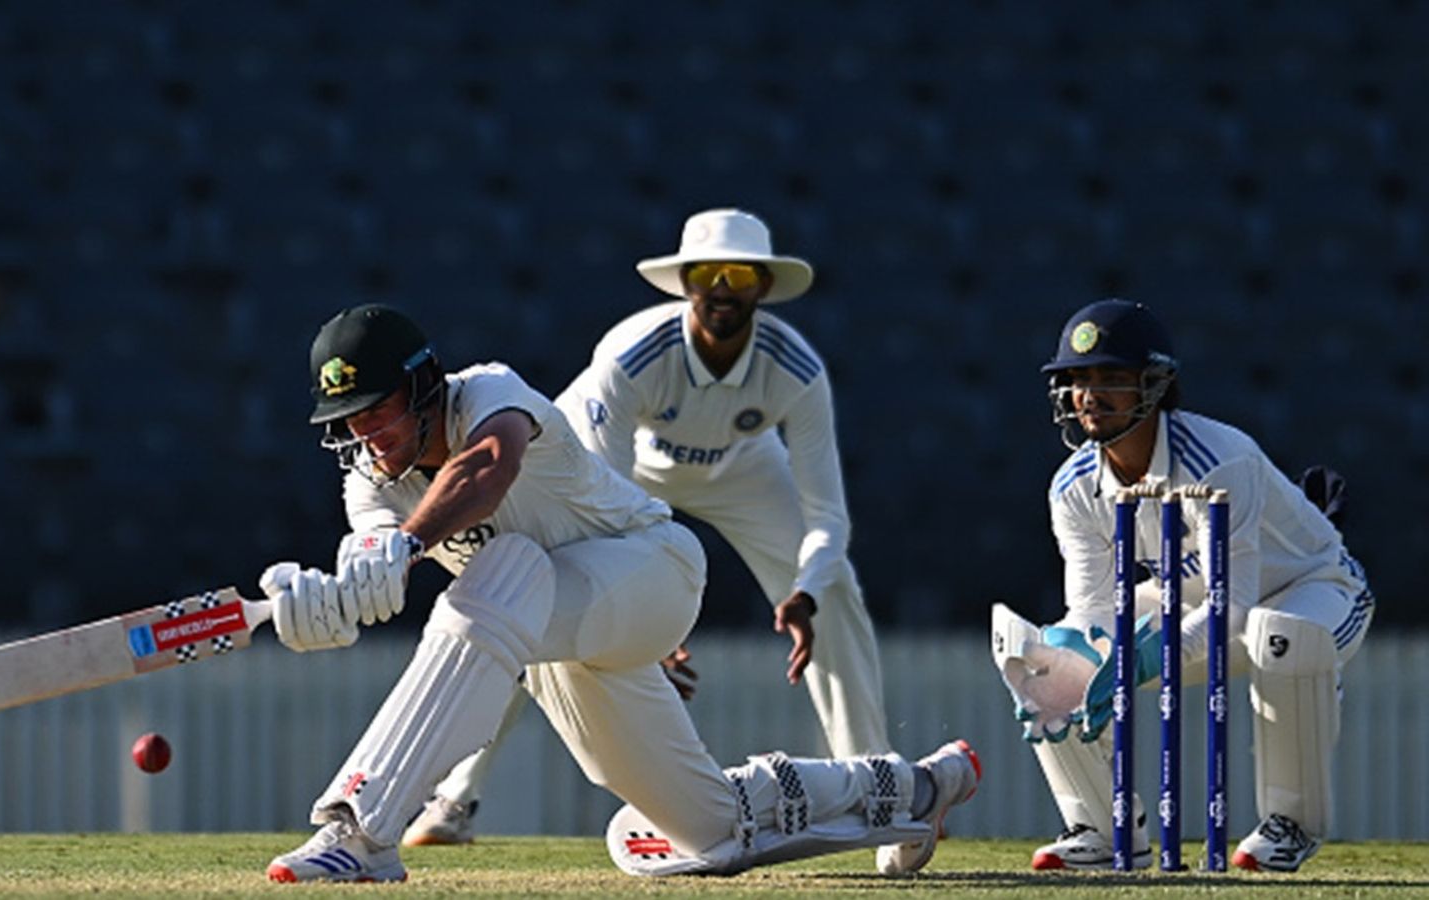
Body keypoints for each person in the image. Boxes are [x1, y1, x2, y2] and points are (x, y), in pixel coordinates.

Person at [258, 303, 979, 883]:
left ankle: (361, 830)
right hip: (557, 638)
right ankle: (908, 788)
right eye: (349, 422)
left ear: (422, 386)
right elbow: (373, 555)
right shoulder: (369, 482)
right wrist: (331, 601)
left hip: (651, 572)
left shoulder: (491, 394)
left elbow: (486, 469)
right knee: (709, 828)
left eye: (376, 409)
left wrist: (404, 547)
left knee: (506, 564)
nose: (366, 435)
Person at [402, 207, 900, 858]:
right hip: (611, 466)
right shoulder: (633, 356)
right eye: (707, 274)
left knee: (837, 592)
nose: (723, 289)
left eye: (740, 275)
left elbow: (827, 518)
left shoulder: (795, 369)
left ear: (763, 288)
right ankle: (455, 800)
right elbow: (601, 513)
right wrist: (652, 632)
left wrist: (804, 592)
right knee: (530, 593)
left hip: (740, 467)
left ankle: (880, 792)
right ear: (685, 283)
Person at [993, 298, 1373, 872]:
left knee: (1280, 636)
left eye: (1112, 379)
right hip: (1196, 600)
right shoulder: (1072, 487)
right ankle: (1103, 826)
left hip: (1315, 588)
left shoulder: (1220, 459)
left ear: (1154, 384)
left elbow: (1236, 612)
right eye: (1079, 380)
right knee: (1051, 654)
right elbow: (1094, 612)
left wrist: (1139, 661)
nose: (1090, 396)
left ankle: (1290, 824)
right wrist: (1087, 663)